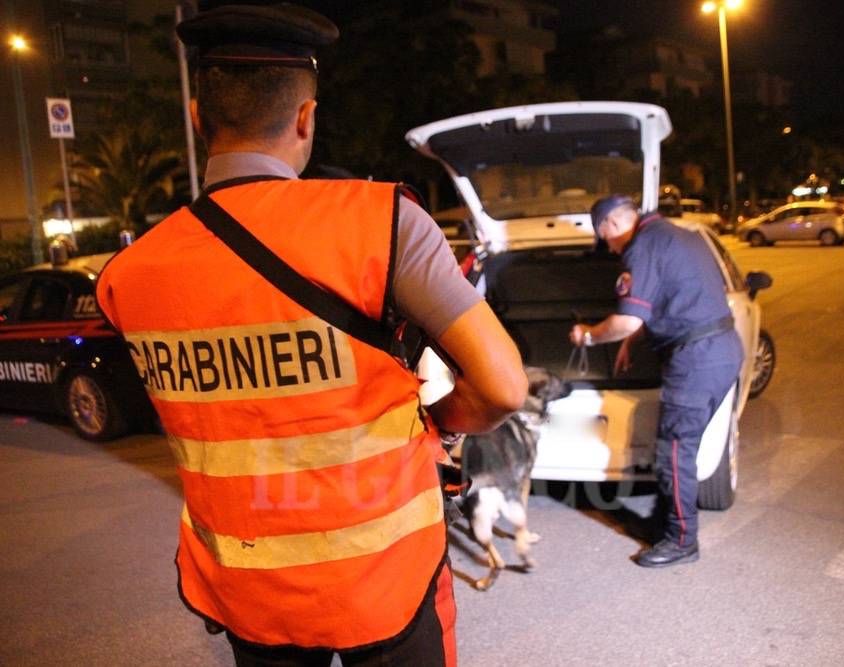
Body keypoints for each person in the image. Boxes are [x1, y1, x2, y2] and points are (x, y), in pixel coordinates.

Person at [96, 3, 527, 666]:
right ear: (306, 118)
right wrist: (437, 418)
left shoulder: (127, 275)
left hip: (245, 587)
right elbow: (503, 384)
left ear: (196, 117)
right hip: (386, 580)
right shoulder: (379, 222)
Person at [569, 194, 743, 568]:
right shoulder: (680, 235)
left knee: (676, 451)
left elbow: (626, 320)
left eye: (607, 241)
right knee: (683, 446)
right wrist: (634, 339)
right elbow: (670, 295)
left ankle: (681, 540)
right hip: (722, 349)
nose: (613, 249)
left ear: (609, 226)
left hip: (695, 359)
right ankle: (670, 521)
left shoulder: (641, 246)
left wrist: (588, 335)